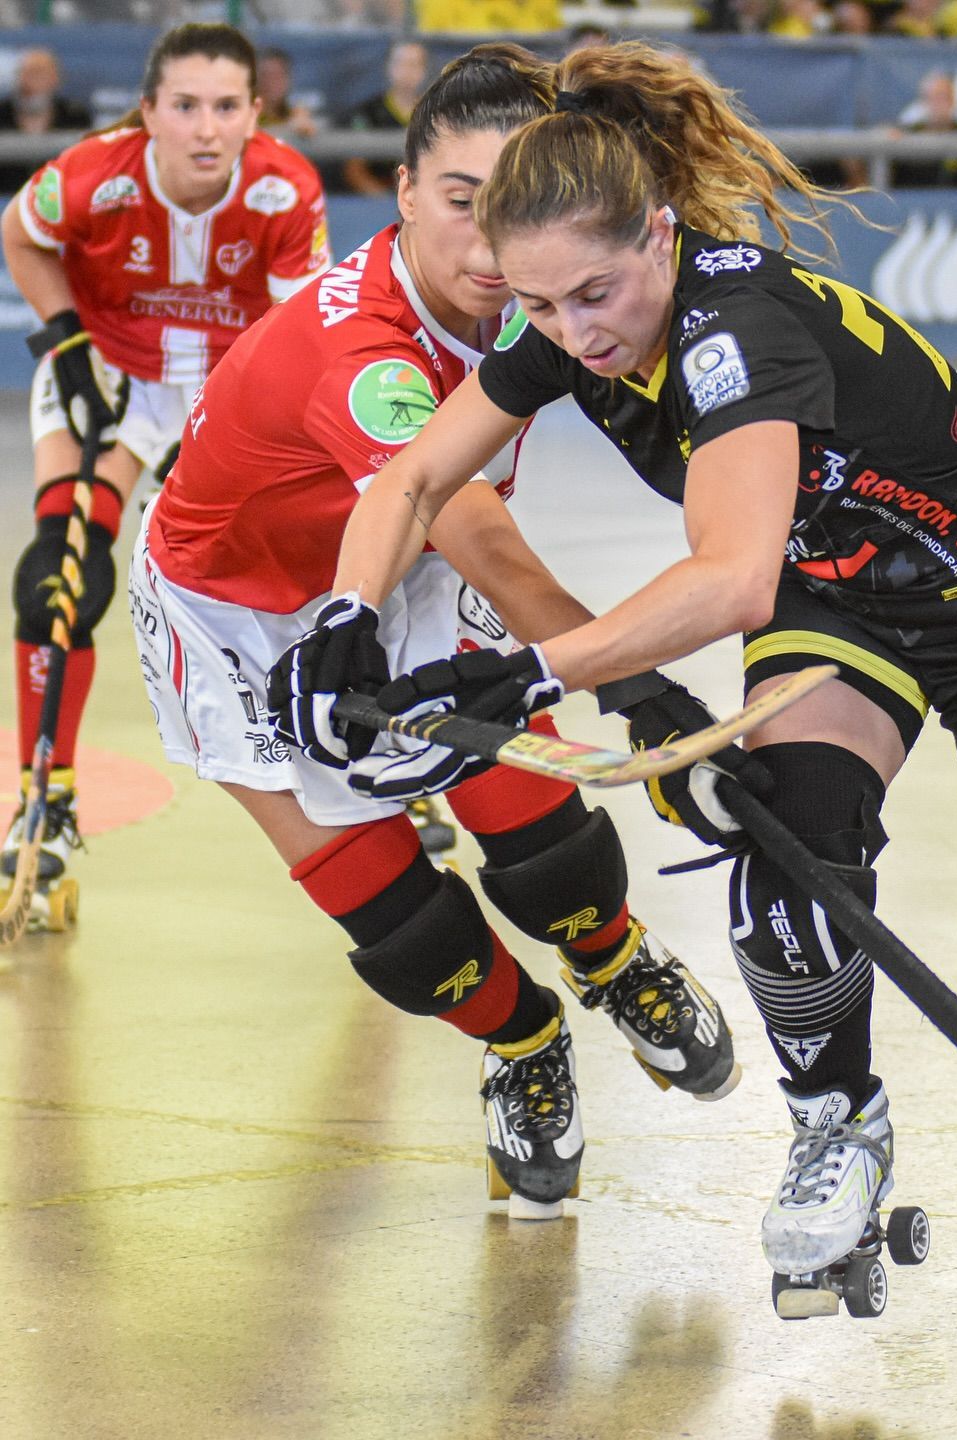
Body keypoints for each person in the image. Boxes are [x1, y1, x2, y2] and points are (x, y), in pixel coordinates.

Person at [268, 41, 957, 1287]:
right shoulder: (565, 320)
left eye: (596, 296)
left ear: (661, 237)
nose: (573, 336)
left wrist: (528, 677)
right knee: (788, 862)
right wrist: (345, 606)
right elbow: (415, 473)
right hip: (840, 593)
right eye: (540, 305)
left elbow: (726, 577)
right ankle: (840, 1129)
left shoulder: (740, 330)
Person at [128, 45, 739, 1220]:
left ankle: (617, 961)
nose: (487, 244)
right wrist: (635, 682)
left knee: (532, 818)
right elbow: (483, 539)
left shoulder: (540, 297)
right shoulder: (362, 350)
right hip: (230, 610)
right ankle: (524, 1045)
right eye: (461, 202)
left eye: (510, 206)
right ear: (404, 193)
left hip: (390, 568)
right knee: (394, 914)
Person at [0, 23, 329, 918]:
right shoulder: (89, 176)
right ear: (148, 111)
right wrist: (64, 336)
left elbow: (303, 339)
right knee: (58, 582)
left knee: (308, 583)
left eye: (226, 107)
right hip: (108, 373)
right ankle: (48, 801)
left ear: (255, 114)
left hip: (228, 385)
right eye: (183, 106)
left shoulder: (283, 188)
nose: (205, 128)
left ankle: (384, 779)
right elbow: (19, 235)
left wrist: (230, 432)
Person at [341, 40, 429, 197]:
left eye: (414, 64)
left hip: (422, 200)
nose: (407, 71)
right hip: (378, 201)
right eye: (400, 63)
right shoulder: (367, 112)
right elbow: (354, 169)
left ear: (424, 70)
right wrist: (384, 199)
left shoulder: (434, 113)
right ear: (388, 67)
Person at [0, 49, 93, 196]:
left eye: (38, 72)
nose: (29, 80)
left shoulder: (74, 116)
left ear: (56, 78)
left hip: (61, 199)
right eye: (24, 73)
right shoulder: (3, 113)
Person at [256, 47, 318, 143]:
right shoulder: (247, 115)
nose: (271, 82)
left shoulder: (295, 113)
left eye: (279, 75)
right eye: (265, 75)